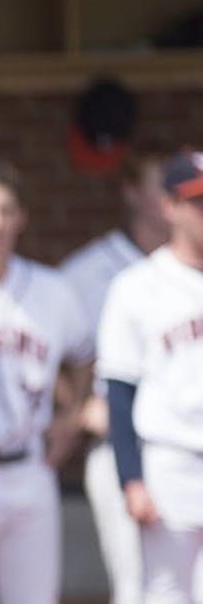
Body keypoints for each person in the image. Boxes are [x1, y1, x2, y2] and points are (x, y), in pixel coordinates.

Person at [0, 159, 94, 604]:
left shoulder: (52, 289)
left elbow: (84, 355)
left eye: (5, 210)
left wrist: (69, 422)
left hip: (31, 466)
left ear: (21, 218)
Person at [59, 145, 171, 604]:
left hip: (187, 441)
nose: (175, 199)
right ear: (131, 192)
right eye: (162, 185)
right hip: (122, 445)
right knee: (138, 587)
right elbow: (43, 341)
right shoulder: (88, 270)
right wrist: (75, 408)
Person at [97, 148, 203, 604]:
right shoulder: (136, 285)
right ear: (169, 206)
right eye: (195, 201)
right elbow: (118, 392)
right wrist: (131, 480)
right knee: (164, 592)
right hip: (170, 460)